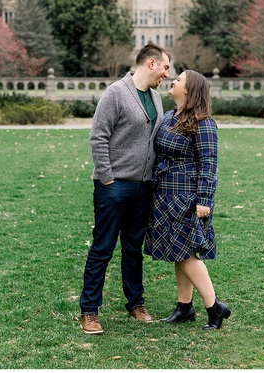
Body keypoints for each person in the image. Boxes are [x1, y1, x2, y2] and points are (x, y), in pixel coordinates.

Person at [80, 42, 171, 334]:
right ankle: (90, 311)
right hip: (113, 187)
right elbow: (98, 137)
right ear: (151, 63)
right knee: (103, 248)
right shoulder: (116, 93)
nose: (167, 74)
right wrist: (107, 178)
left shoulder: (156, 99)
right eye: (166, 67)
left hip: (143, 188)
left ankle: (135, 303)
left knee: (133, 249)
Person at [144, 70, 231, 331]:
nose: (174, 80)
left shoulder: (204, 123)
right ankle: (184, 308)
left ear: (190, 89)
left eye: (179, 79)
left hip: (188, 197)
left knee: (186, 253)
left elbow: (209, 164)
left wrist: (204, 199)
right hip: (165, 194)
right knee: (178, 252)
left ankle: (214, 306)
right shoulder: (170, 117)